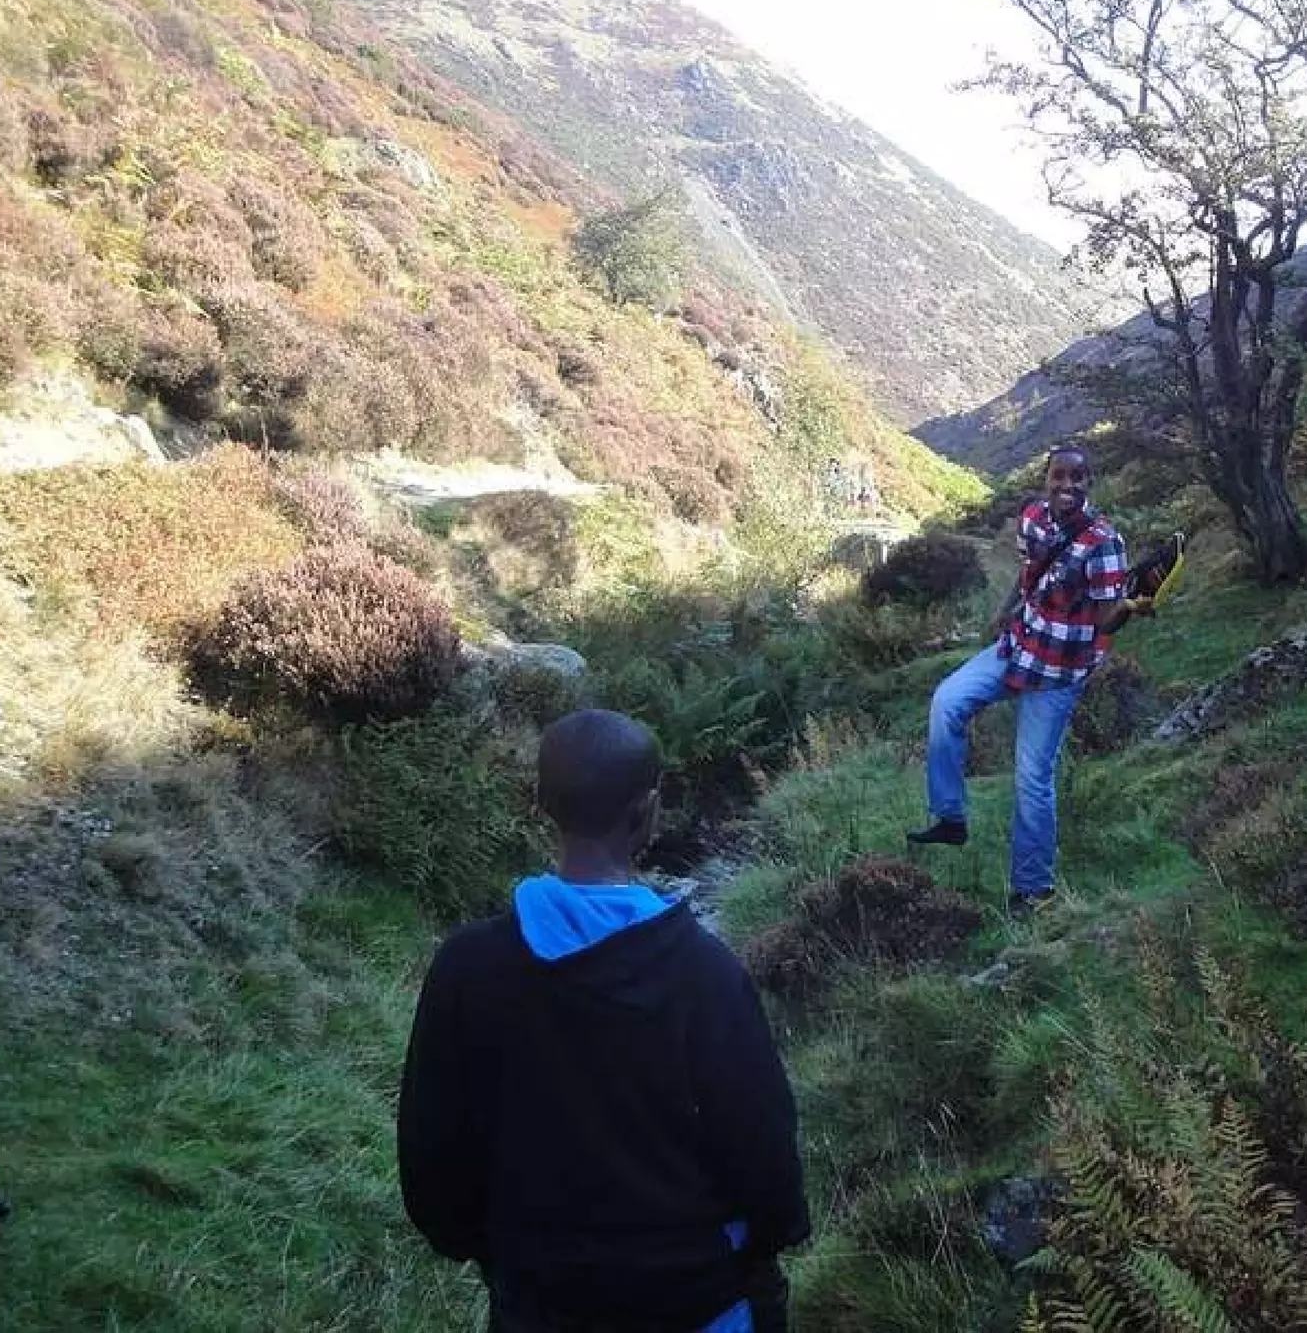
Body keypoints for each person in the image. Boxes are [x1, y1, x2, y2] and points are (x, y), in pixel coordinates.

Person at [397, 708, 810, 1333]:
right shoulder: (706, 974)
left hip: (537, 1301)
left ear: (541, 803)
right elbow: (764, 1152)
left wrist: (497, 1252)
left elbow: (432, 1156)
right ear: (646, 811)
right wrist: (765, 1245)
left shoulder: (467, 966)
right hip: (698, 1300)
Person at [907, 444, 1140, 914]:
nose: (1068, 486)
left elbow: (1105, 620)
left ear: (1089, 484)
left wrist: (1133, 611)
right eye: (1060, 476)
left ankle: (1033, 890)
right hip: (1017, 647)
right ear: (1047, 479)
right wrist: (1002, 612)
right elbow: (1029, 569)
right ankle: (950, 817)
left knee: (1033, 777)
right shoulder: (1032, 517)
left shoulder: (1104, 544)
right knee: (947, 701)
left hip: (1057, 672)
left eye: (1078, 478)